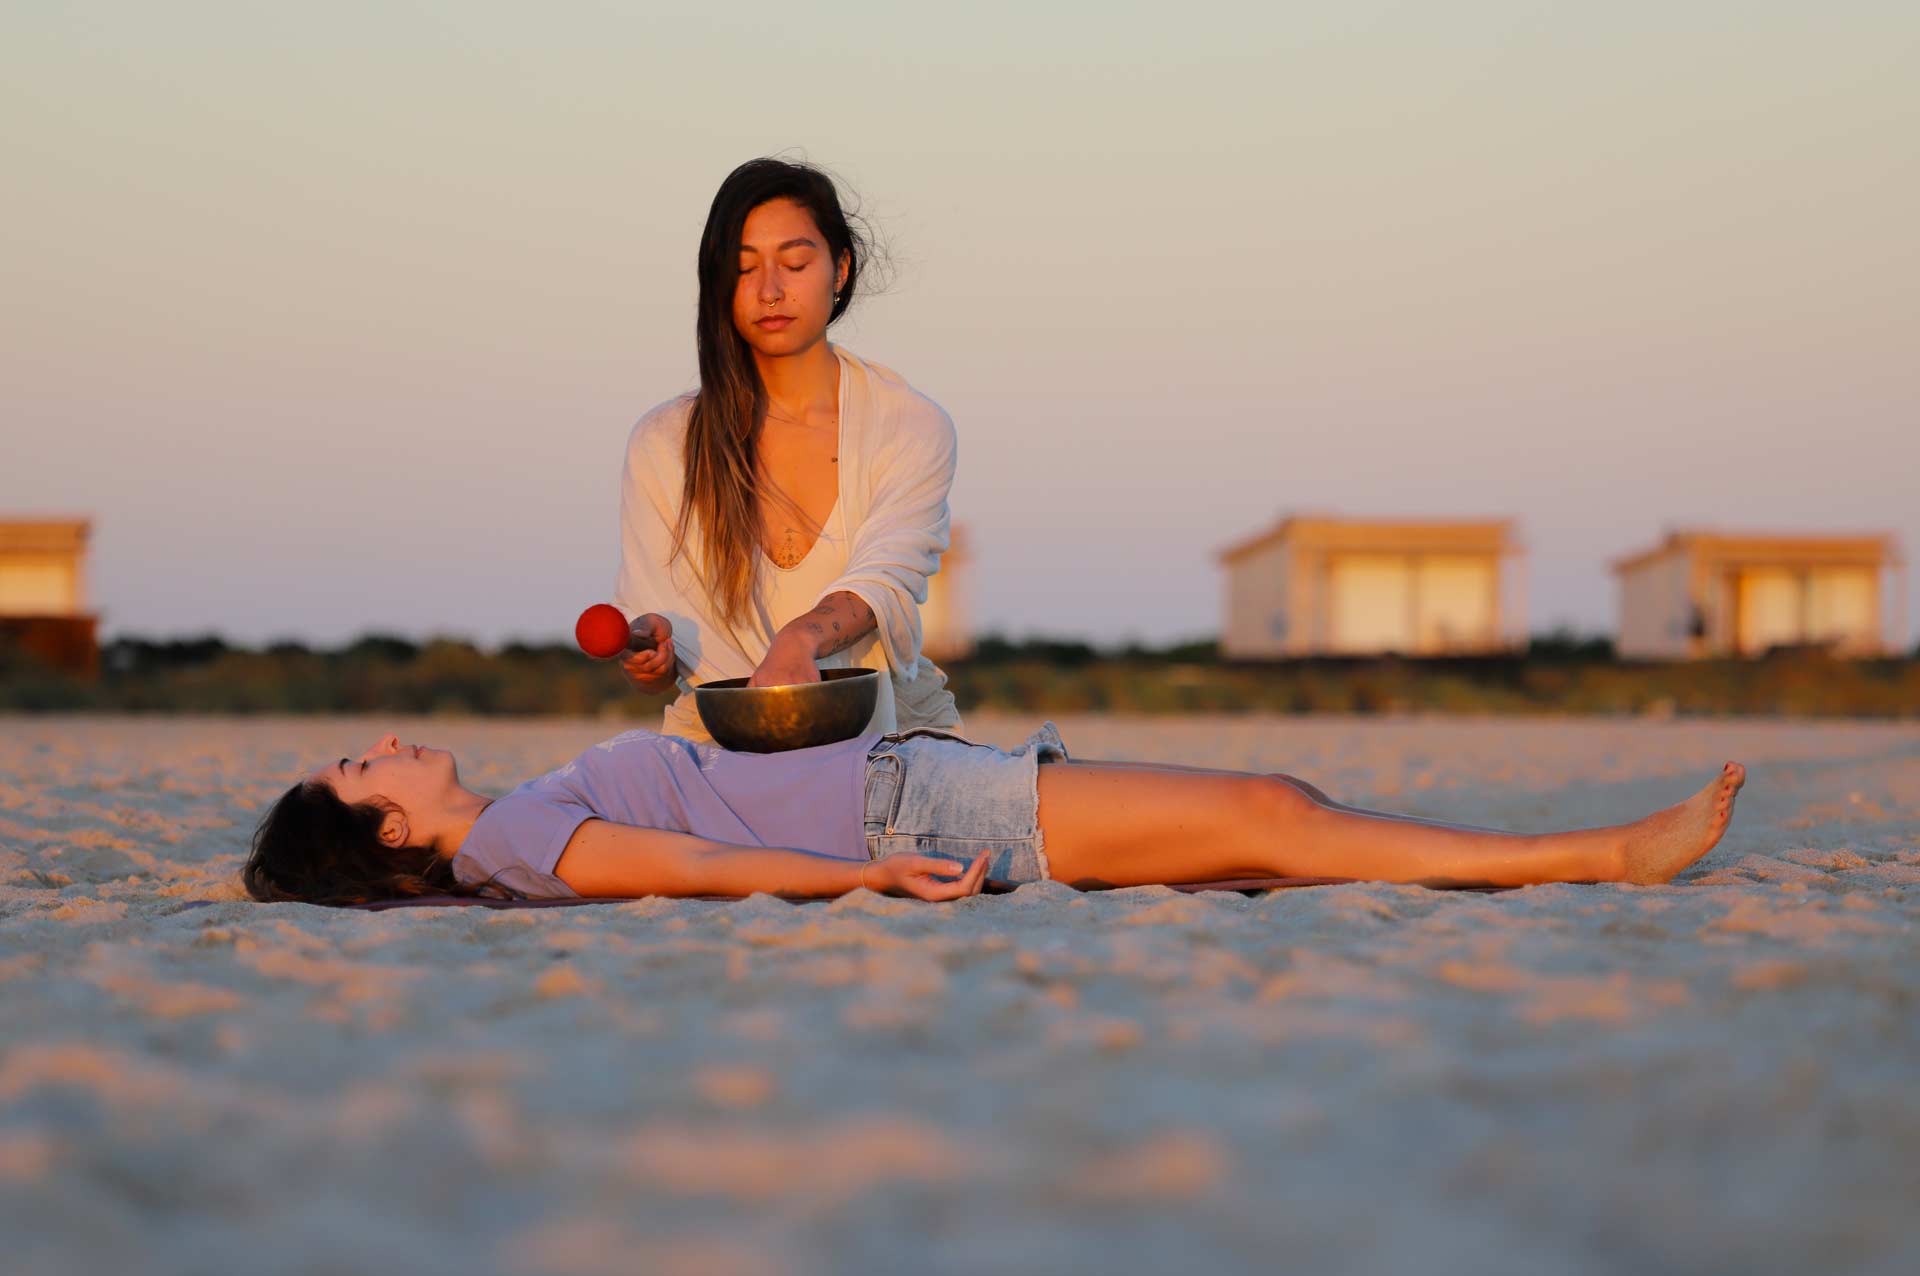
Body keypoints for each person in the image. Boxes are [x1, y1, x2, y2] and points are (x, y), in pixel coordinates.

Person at [242, 726, 1747, 907]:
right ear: (386, 833)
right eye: (361, 772)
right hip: (908, 804)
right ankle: (1605, 854)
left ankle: (1574, 853)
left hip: (911, 776)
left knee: (1275, 829)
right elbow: (690, 863)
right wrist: (863, 880)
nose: (383, 745)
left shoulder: (515, 818)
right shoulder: (508, 842)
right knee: (1273, 811)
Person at [613, 157, 961, 743]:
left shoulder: (910, 424)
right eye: (745, 269)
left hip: (885, 734)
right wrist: (649, 654)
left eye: (795, 263)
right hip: (716, 741)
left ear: (840, 269)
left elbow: (887, 576)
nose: (771, 291)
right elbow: (659, 658)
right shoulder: (664, 442)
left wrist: (799, 639)